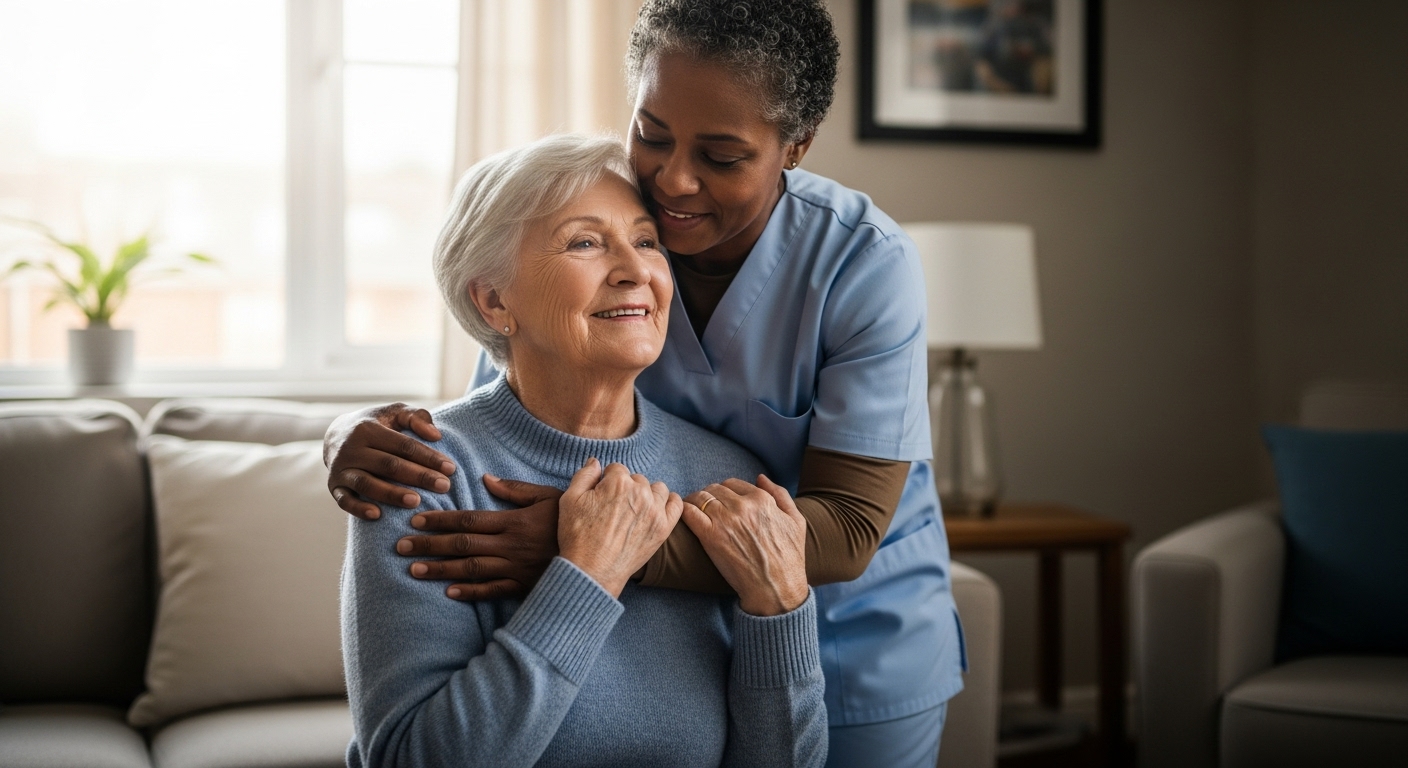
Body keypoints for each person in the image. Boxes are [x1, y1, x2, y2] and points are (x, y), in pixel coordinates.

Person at [326, 2, 965, 765]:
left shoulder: (861, 263)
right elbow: (503, 386)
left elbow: (851, 525)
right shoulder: (451, 466)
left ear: (795, 146)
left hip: (853, 630)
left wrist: (588, 553)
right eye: (652, 135)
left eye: (722, 156)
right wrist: (346, 432)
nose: (673, 180)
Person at [341, 134, 827, 768]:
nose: (636, 270)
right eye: (585, 242)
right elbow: (410, 761)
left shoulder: (723, 477)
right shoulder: (422, 469)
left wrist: (782, 612)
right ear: (493, 300)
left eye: (647, 240)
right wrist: (589, 575)